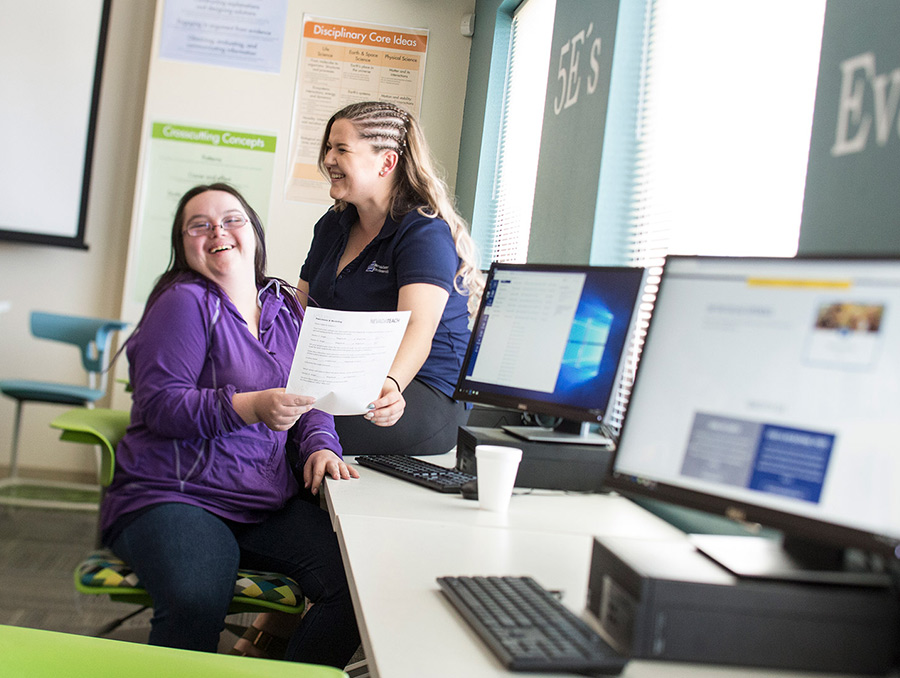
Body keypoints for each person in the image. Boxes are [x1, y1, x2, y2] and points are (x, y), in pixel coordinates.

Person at [100, 183, 360, 668]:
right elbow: (159, 406)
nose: (217, 230)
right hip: (174, 495)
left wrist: (321, 444)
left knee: (358, 585)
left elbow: (312, 397)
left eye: (231, 219)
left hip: (260, 503)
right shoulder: (183, 303)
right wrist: (250, 406)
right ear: (184, 246)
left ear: (254, 234)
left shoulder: (287, 311)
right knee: (197, 596)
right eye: (199, 225)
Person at [298, 100, 485, 456]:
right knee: (274, 415)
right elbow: (299, 311)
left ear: (386, 162)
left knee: (302, 431)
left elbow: (419, 328)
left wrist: (391, 383)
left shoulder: (423, 232)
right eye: (327, 148)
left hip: (421, 390)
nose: (328, 160)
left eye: (341, 149)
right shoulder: (332, 226)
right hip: (348, 381)